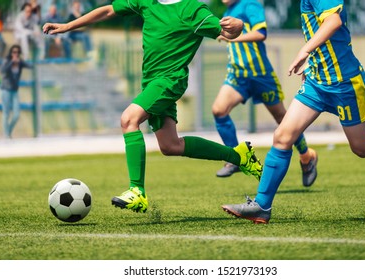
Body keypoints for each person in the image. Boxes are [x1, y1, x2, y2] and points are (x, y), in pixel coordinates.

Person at [222, 0, 365, 224]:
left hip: (346, 84)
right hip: (317, 83)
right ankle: (262, 206)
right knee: (283, 136)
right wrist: (312, 59)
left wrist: (304, 51)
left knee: (363, 147)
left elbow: (333, 22)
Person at [44, 0, 259, 214]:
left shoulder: (192, 9)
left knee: (129, 119)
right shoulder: (146, 2)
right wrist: (67, 26)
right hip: (151, 83)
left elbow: (226, 32)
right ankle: (239, 156)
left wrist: (237, 26)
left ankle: (137, 191)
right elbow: (108, 10)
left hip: (170, 80)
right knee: (170, 145)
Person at [212, 0, 317, 186]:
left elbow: (261, 33)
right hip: (237, 75)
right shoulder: (228, 10)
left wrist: (232, 37)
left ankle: (306, 156)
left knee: (283, 120)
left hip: (261, 75)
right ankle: (235, 157)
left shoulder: (250, 4)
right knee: (219, 110)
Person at [0, 45, 31, 138]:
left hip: (14, 90)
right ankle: (6, 135)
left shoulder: (20, 62)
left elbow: (31, 66)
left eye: (17, 52)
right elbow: (3, 70)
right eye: (14, 52)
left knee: (16, 114)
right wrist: (11, 63)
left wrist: (23, 60)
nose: (16, 54)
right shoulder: (7, 61)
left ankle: (8, 131)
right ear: (11, 53)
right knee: (6, 113)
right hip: (5, 90)